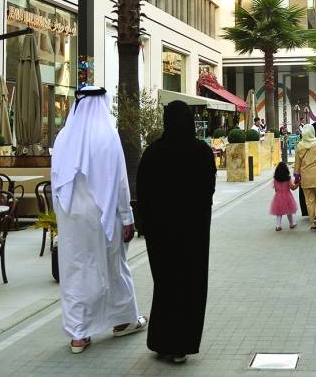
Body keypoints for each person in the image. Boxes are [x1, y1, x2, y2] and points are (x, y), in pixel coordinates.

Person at [50, 86, 146, 354]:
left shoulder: (63, 138)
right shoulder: (108, 136)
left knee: (76, 271)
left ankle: (78, 335)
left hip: (71, 218)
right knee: (114, 267)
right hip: (104, 217)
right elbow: (120, 182)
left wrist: (60, 218)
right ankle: (124, 321)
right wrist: (128, 217)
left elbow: (55, 182)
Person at [137, 100, 216, 364]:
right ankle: (182, 345)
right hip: (193, 232)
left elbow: (143, 193)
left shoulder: (153, 153)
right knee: (191, 286)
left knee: (166, 285)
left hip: (161, 235)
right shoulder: (202, 152)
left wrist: (145, 225)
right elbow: (209, 190)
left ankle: (162, 341)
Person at [269, 162, 298, 231]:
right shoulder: (288, 178)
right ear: (286, 170)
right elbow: (292, 188)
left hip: (278, 196)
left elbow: (276, 189)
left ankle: (278, 225)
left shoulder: (275, 179)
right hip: (287, 196)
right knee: (289, 211)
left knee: (278, 212)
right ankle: (291, 224)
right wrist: (297, 184)